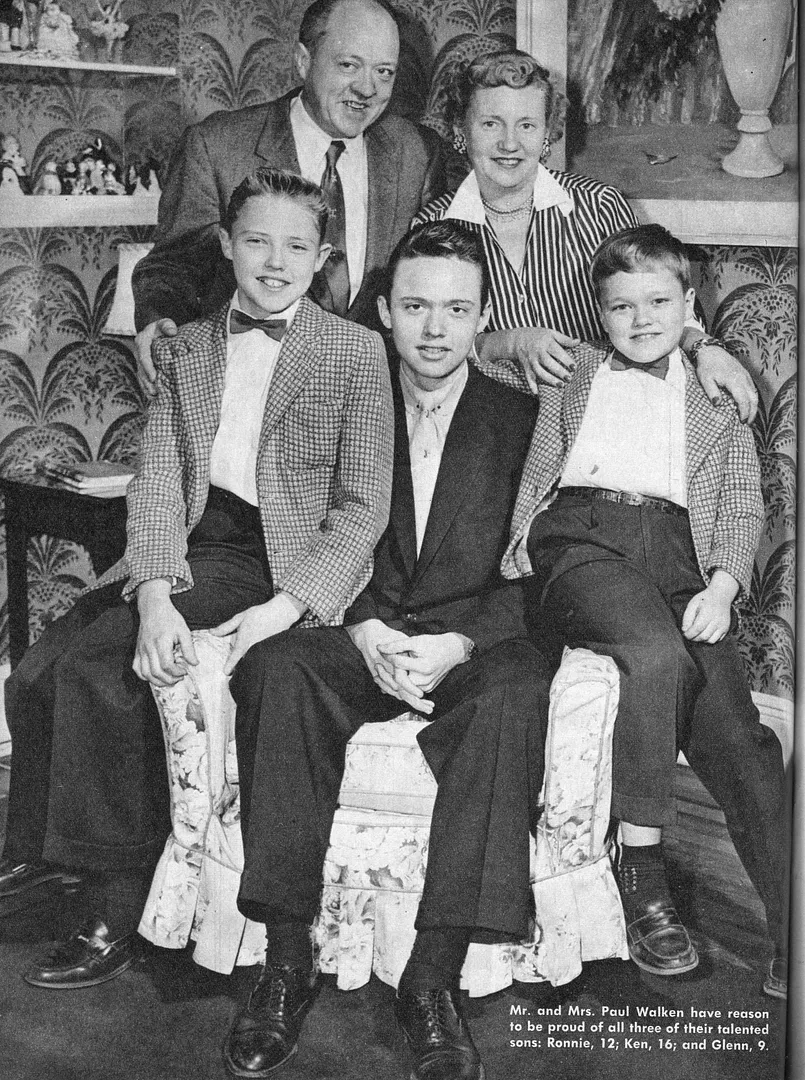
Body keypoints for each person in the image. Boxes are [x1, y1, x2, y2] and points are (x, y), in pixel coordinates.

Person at [0, 167, 394, 989]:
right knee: (36, 670)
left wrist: (290, 605)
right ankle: (44, 855)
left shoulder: (355, 351)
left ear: (322, 259)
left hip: (271, 556)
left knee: (103, 671)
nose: (273, 263)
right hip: (187, 542)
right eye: (256, 242)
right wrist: (153, 594)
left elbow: (363, 508)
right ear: (226, 246)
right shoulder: (190, 348)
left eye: (295, 247)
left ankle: (115, 900)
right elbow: (159, 485)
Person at [221, 221, 552, 1080]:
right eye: (414, 306)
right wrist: (361, 623)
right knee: (274, 669)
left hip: (468, 636)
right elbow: (305, 529)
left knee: (515, 692)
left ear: (483, 317)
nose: (434, 329)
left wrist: (459, 642)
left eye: (456, 309)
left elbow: (539, 562)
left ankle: (431, 980)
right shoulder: (336, 397)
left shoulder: (523, 421)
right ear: (383, 312)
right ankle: (285, 961)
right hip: (354, 624)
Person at [502, 224, 788, 999]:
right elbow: (464, 352)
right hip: (581, 539)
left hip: (681, 560)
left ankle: (789, 930)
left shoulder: (713, 391)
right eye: (620, 306)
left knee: (739, 737)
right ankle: (642, 873)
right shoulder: (573, 370)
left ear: (688, 305)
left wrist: (721, 586)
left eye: (658, 302)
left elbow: (740, 500)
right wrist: (516, 337)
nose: (639, 319)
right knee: (654, 656)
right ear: (599, 314)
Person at [415, 48, 759, 421]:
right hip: (492, 426)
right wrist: (502, 343)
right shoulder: (432, 227)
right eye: (490, 124)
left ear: (546, 134)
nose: (509, 143)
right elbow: (418, 345)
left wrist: (706, 349)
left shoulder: (600, 206)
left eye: (527, 125)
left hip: (606, 418)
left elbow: (662, 306)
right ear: (460, 130)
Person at [131, 0, 445, 396]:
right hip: (249, 393)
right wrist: (159, 322)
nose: (367, 88)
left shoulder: (417, 151)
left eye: (384, 71)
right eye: (349, 65)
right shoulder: (217, 146)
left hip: (376, 400)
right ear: (303, 61)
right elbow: (172, 268)